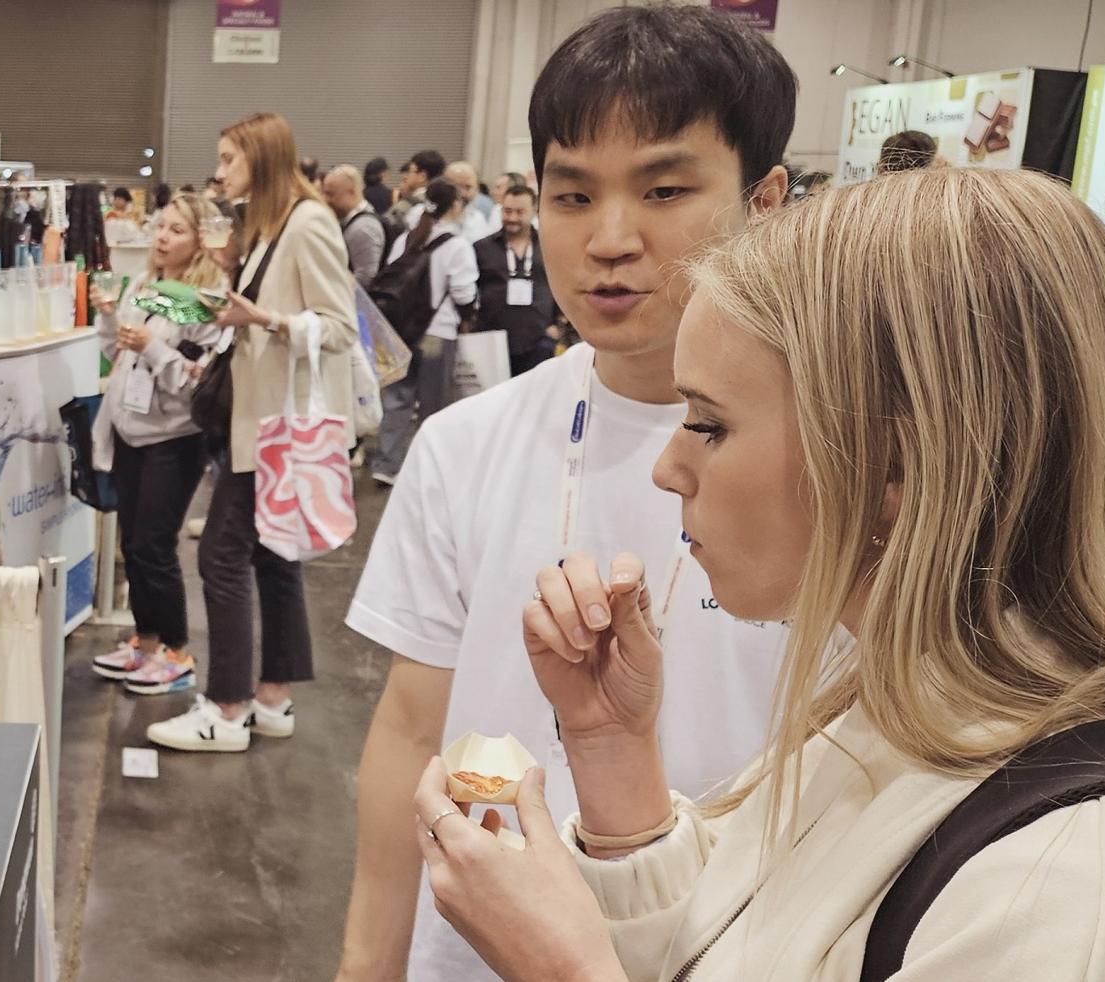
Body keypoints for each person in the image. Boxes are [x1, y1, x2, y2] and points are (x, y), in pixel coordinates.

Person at [416, 163, 1105, 981]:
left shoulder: (1081, 893)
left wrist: (563, 969)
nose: (669, 469)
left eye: (709, 425)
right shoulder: (890, 712)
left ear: (893, 462)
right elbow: (721, 952)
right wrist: (611, 749)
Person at [335, 6, 795, 981]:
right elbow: (413, 725)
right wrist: (366, 964)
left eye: (665, 188)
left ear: (766, 201)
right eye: (571, 195)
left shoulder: (837, 461)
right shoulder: (466, 444)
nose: (610, 239)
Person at [143, 111, 357, 754]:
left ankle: (227, 706)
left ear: (260, 160)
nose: (220, 172)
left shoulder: (309, 223)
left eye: (229, 160)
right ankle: (272, 697)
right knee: (271, 553)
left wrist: (260, 316)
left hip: (277, 425)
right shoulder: (270, 225)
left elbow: (339, 327)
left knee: (221, 556)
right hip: (260, 418)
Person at [87, 191, 228, 691]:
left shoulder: (208, 301)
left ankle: (178, 652)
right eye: (161, 227)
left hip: (174, 437)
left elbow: (196, 381)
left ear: (201, 241)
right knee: (133, 542)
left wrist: (154, 348)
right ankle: (145, 640)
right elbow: (117, 352)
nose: (163, 238)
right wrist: (108, 318)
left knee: (154, 545)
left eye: (177, 230)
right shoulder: (148, 285)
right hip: (130, 429)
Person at [366, 178, 477, 488]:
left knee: (397, 399)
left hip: (401, 330)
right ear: (454, 206)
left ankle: (387, 464)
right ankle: (428, 470)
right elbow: (464, 292)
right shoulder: (456, 245)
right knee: (434, 404)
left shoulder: (407, 238)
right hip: (437, 334)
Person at [474, 185, 558, 377]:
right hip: (493, 339)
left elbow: (565, 284)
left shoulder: (549, 246)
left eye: (520, 212)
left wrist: (558, 324)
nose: (512, 218)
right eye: (507, 211)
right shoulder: (482, 248)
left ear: (535, 211)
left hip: (539, 337)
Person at [323, 165, 385, 289]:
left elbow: (365, 280)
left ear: (352, 192)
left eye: (331, 194)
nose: (326, 200)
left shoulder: (363, 228)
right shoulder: (351, 223)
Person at [390, 150, 447, 227]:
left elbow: (388, 222)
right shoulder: (444, 202)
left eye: (409, 172)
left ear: (422, 176)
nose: (406, 177)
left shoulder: (408, 204)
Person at [443, 161, 494, 242]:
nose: (462, 193)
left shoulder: (478, 219)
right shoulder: (426, 215)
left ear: (477, 189)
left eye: (468, 187)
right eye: (456, 186)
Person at [483, 171, 530, 236]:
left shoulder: (532, 216)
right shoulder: (497, 209)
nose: (493, 192)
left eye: (498, 187)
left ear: (513, 189)